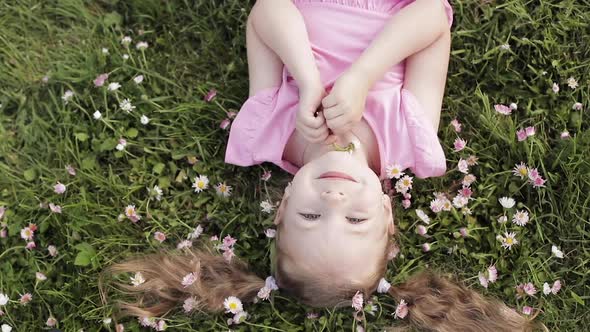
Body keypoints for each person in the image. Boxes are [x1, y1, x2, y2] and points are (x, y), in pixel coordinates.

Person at [101, 1, 541, 330]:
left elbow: (266, 12)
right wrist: (363, 75)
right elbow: (433, 16)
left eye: (311, 216)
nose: (334, 199)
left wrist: (308, 79)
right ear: (387, 213)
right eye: (355, 218)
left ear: (283, 206)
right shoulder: (411, 140)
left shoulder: (268, 133)